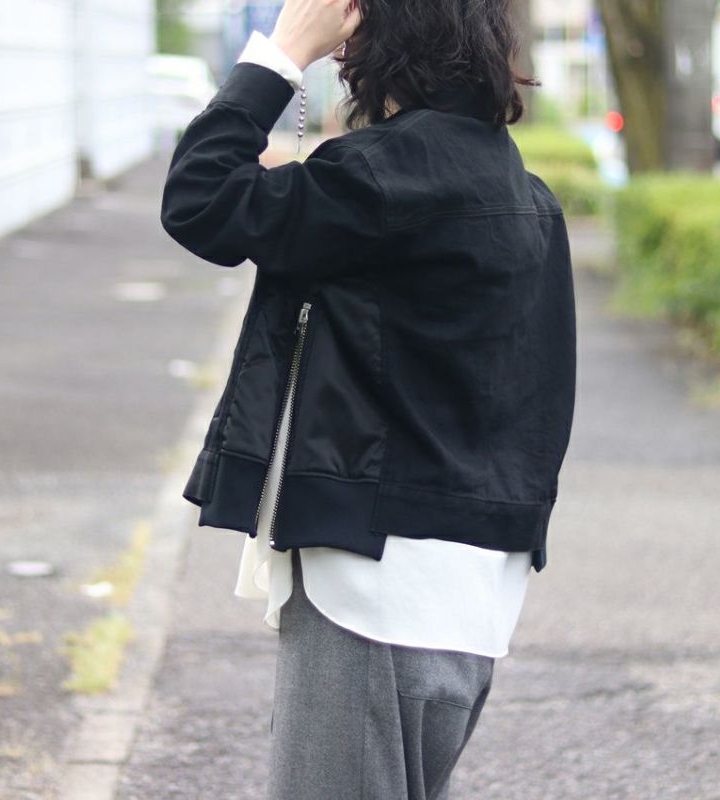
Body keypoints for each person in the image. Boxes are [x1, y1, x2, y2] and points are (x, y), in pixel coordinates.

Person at [160, 1, 577, 798]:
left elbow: (199, 197)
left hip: (372, 586)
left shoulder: (380, 178)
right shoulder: (526, 194)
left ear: (377, 43)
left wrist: (283, 53)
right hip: (477, 594)